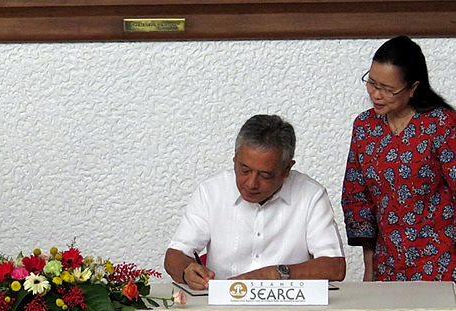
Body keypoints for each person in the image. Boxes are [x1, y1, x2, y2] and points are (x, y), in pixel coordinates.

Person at [164, 115, 346, 289]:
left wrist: (278, 274)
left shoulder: (311, 195)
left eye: (265, 175)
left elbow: (335, 267)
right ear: (235, 159)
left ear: (286, 169)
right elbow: (174, 255)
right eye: (244, 170)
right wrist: (186, 271)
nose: (251, 183)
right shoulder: (211, 192)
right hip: (223, 309)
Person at [342, 36, 456, 282]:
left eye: (388, 89)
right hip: (387, 266)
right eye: (372, 83)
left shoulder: (441, 124)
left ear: (413, 88)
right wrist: (369, 268)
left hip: (441, 265)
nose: (376, 94)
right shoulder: (365, 127)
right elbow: (357, 198)